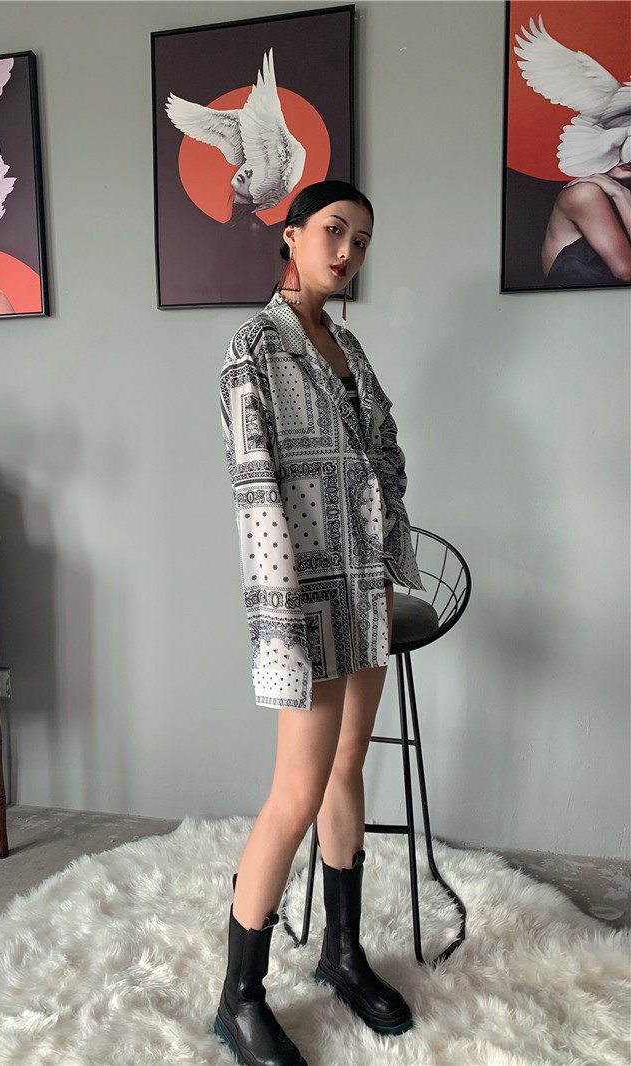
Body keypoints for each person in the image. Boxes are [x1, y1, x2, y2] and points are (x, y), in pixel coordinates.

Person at [215, 180, 424, 1065]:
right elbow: (255, 489)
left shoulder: (346, 343)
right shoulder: (253, 348)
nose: (347, 251)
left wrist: (386, 536)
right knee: (295, 792)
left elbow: (385, 451)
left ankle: (342, 953)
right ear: (292, 235)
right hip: (305, 593)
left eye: (362, 241)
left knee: (346, 770)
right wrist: (282, 620)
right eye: (334, 231)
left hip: (365, 582)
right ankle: (239, 997)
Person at [542, 165, 631, 288]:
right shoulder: (585, 192)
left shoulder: (620, 192)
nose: (627, 159)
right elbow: (627, 273)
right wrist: (620, 193)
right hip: (579, 298)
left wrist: (622, 194)